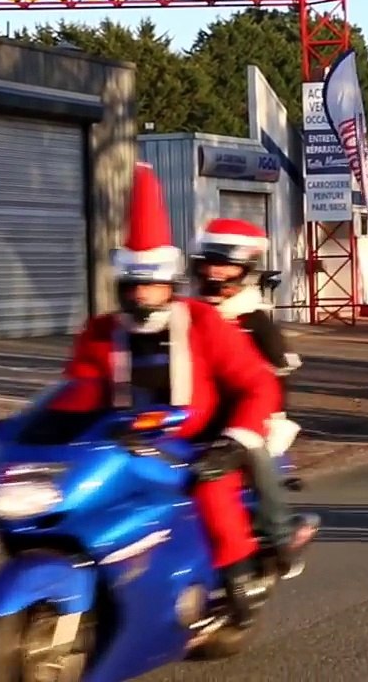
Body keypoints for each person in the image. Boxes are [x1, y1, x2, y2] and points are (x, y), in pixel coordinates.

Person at [50, 163, 313, 625]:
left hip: (201, 441)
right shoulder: (100, 331)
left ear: (169, 284)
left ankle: (240, 576)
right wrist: (35, 427)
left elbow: (259, 382)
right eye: (134, 285)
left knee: (210, 488)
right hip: (126, 444)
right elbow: (78, 388)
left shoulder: (206, 321)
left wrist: (235, 438)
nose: (143, 296)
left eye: (153, 285)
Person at [189, 217, 316, 571]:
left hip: (249, 416)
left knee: (253, 451)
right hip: (192, 414)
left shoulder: (254, 320)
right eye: (210, 264)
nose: (216, 273)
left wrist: (254, 420)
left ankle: (281, 535)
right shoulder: (188, 313)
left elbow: (276, 380)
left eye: (225, 265)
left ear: (243, 270)